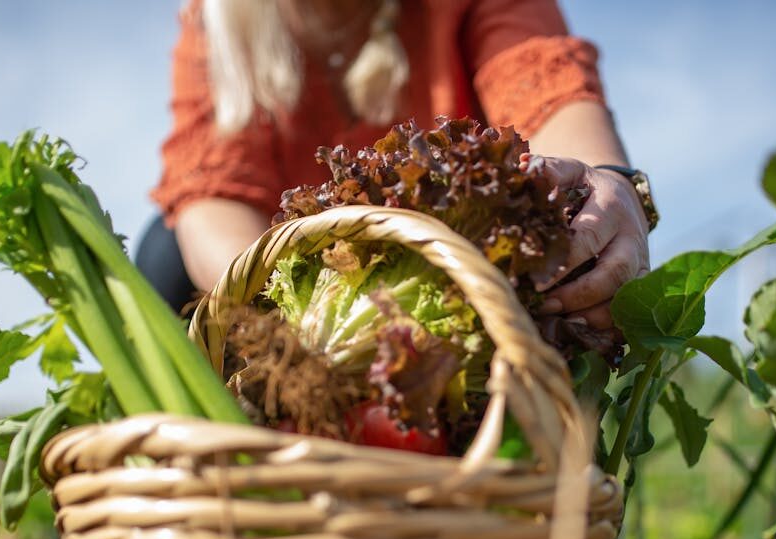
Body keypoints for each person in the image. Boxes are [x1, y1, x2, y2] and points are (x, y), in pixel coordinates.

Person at [137, 0, 656, 332]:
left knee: (570, 261)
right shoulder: (217, 22)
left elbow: (550, 94)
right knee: (164, 256)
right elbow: (214, 202)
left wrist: (605, 183)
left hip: (462, 293)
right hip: (300, 308)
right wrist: (320, 330)